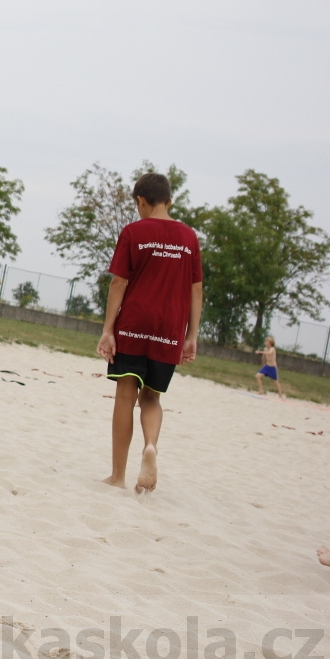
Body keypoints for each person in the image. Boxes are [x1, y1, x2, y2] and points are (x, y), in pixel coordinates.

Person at [97, 173, 202, 493]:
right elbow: (196, 289)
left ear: (141, 201)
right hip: (170, 326)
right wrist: (191, 335)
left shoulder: (133, 231)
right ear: (169, 201)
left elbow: (118, 282)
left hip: (134, 323)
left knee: (125, 395)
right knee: (152, 396)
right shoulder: (189, 238)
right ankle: (151, 445)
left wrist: (107, 329)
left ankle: (117, 476)